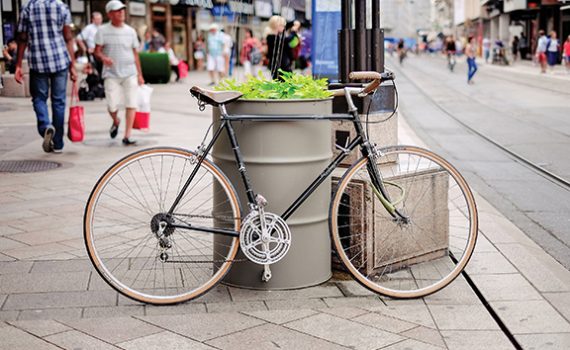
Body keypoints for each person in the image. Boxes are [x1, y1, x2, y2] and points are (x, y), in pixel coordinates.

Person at [14, 0, 77, 153]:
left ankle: (45, 126)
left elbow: (22, 38)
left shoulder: (28, 7)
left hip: (38, 61)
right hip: (60, 60)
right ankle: (58, 143)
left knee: (39, 98)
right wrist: (73, 65)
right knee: (59, 102)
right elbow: (68, 37)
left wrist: (17, 65)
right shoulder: (61, 6)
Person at [94, 0, 145, 146]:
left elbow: (135, 54)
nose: (121, 12)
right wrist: (104, 58)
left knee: (131, 103)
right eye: (117, 10)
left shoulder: (130, 31)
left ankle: (127, 136)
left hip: (130, 73)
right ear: (109, 14)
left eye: (123, 10)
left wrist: (140, 75)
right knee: (112, 105)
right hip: (111, 74)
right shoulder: (102, 30)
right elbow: (96, 51)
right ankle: (116, 121)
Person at [266, 15, 296, 79]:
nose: (283, 27)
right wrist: (293, 31)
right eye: (282, 25)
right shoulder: (273, 38)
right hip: (280, 66)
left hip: (280, 65)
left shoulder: (275, 37)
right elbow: (287, 39)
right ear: (277, 26)